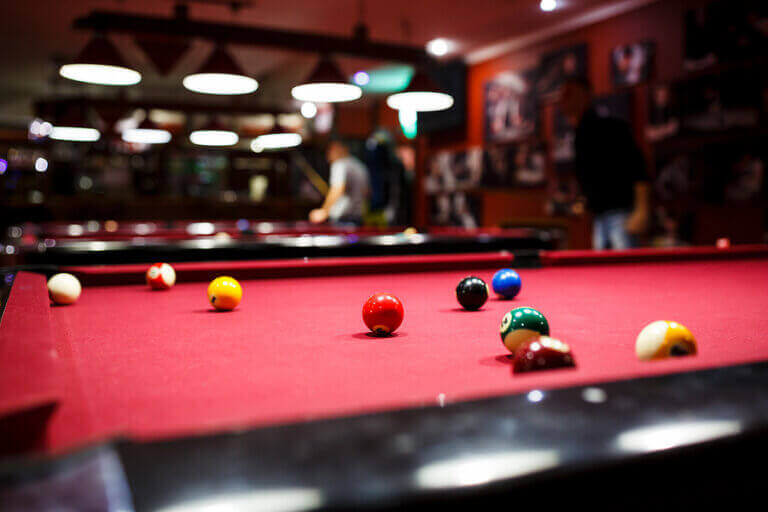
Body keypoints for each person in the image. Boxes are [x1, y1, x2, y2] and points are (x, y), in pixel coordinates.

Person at [559, 77, 650, 250]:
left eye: (570, 94)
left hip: (621, 214)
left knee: (626, 270)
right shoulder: (579, 133)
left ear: (585, 95)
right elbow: (591, 175)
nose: (564, 99)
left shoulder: (610, 126)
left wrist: (642, 210)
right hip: (599, 215)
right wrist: (583, 201)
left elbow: (638, 168)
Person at [309, 139, 370, 226]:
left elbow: (338, 189)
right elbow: (367, 192)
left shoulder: (340, 164)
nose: (328, 153)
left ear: (342, 149)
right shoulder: (359, 165)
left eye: (331, 149)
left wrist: (324, 211)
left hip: (343, 219)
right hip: (358, 218)